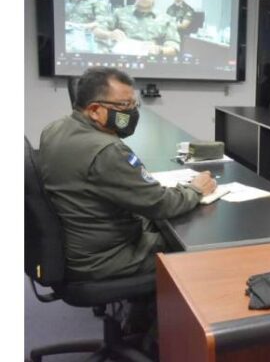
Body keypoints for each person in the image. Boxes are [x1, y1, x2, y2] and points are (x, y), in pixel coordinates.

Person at [38, 67, 217, 282]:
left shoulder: (54, 129)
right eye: (124, 105)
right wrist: (196, 189)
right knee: (203, 251)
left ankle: (141, 310)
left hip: (81, 245)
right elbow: (161, 204)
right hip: (107, 256)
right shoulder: (107, 151)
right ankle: (152, 312)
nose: (131, 112)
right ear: (94, 110)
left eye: (134, 104)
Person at [94, 0, 180, 56]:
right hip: (121, 62)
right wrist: (110, 34)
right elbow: (97, 31)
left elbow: (174, 48)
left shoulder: (165, 19)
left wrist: (158, 50)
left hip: (149, 65)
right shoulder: (120, 13)